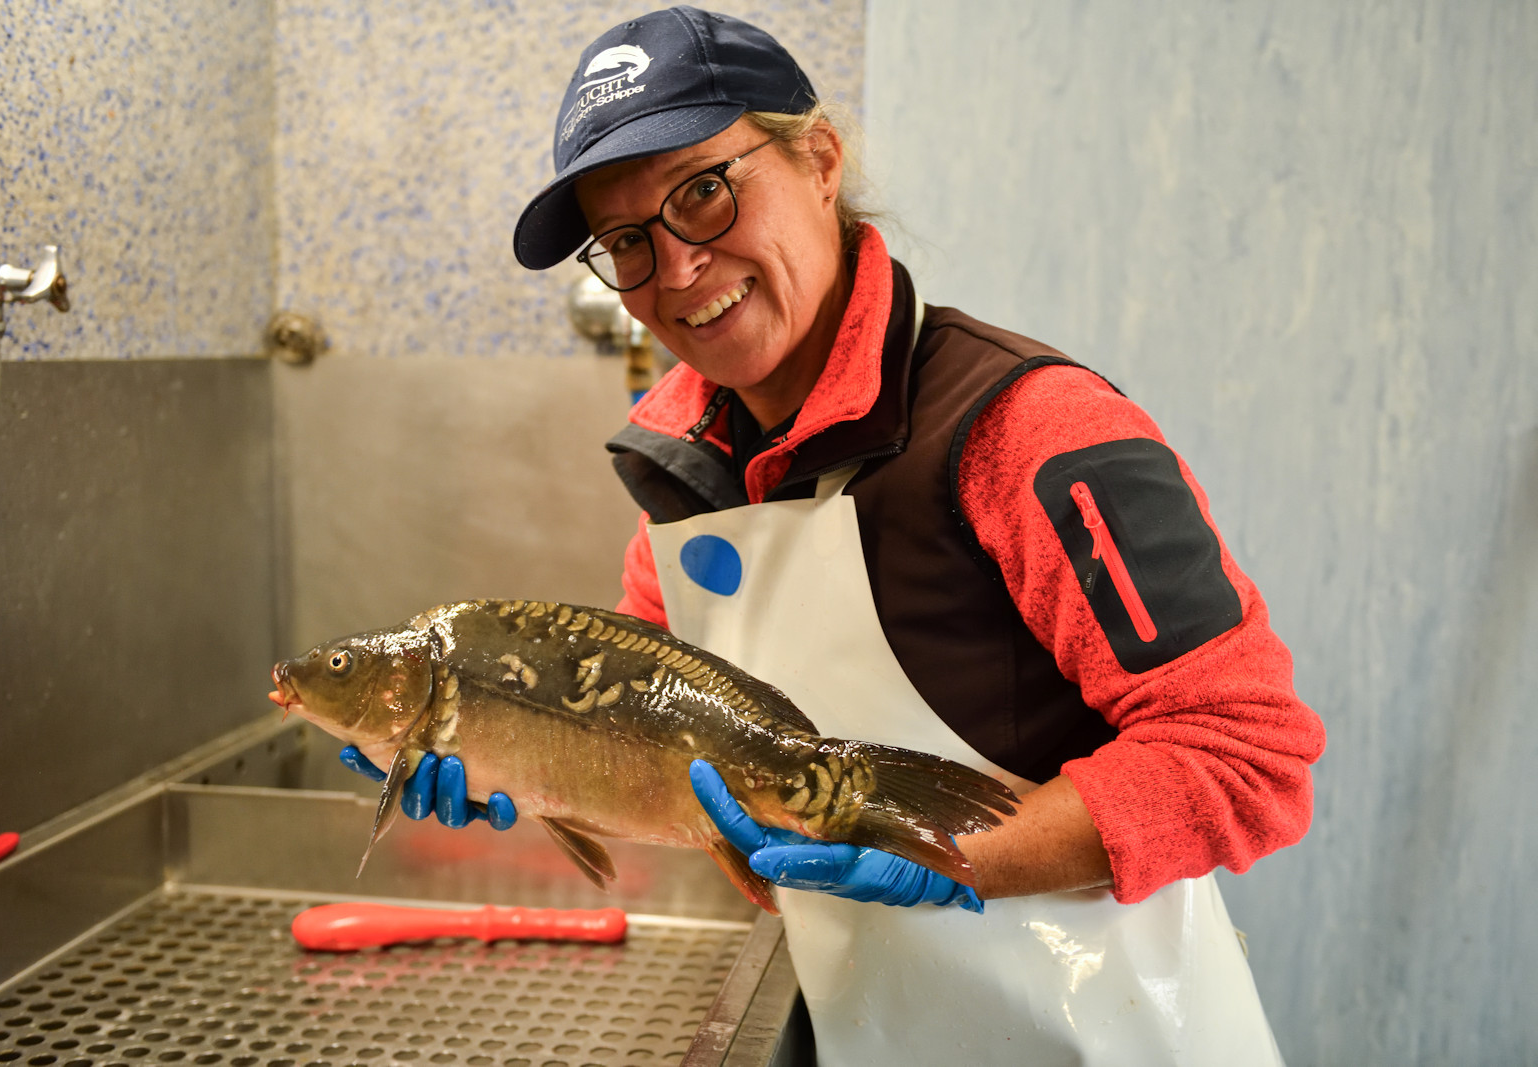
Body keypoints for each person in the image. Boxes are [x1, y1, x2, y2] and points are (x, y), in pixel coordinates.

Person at [352, 7, 1326, 1063]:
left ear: (818, 157)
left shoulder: (1031, 430)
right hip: (866, 1023)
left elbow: (1247, 755)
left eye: (703, 192)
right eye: (628, 241)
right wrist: (520, 766)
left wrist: (950, 854)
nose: (676, 271)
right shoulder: (677, 493)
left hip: (1108, 1033)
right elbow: (672, 781)